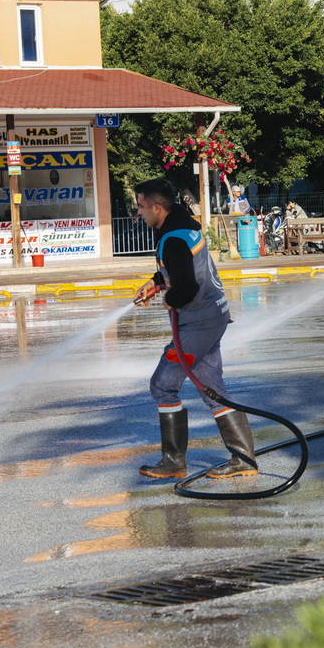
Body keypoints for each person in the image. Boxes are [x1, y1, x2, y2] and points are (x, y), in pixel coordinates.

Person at [132, 178, 258, 480]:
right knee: (213, 391)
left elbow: (186, 286)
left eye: (141, 206)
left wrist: (170, 298)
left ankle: (174, 462)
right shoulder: (182, 229)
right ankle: (244, 460)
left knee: (163, 384)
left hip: (198, 324)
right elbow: (181, 269)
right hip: (211, 317)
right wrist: (157, 282)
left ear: (157, 207)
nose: (139, 212)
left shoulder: (172, 237)